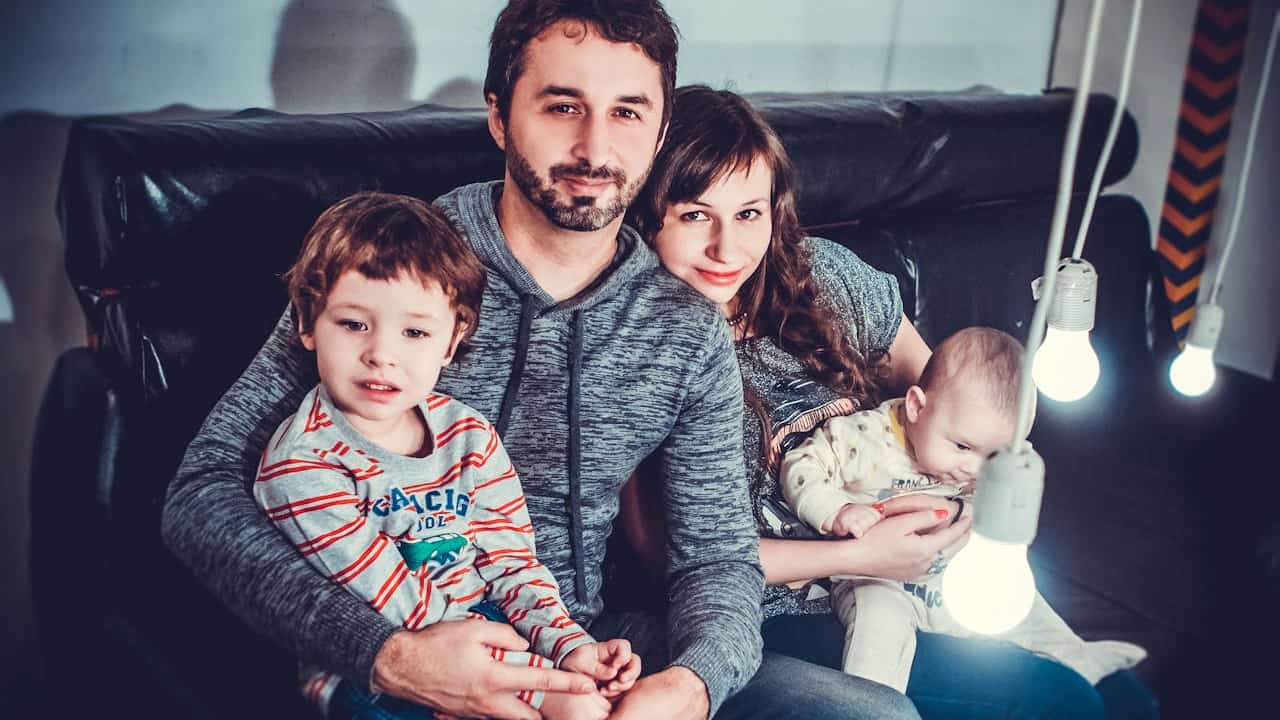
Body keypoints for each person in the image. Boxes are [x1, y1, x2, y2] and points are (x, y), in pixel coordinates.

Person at [163, 3, 919, 719]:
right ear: (499, 115)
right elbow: (199, 497)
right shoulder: (393, 267)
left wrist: (693, 684)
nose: (595, 149)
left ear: (658, 136)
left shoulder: (684, 329)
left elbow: (714, 560)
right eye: (562, 106)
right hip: (389, 648)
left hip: (581, 646)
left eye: (627, 112)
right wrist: (389, 655)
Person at [623, 84, 1161, 719]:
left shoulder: (821, 277)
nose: (728, 249)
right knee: (1063, 701)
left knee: (1122, 697)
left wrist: (964, 506)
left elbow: (948, 399)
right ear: (645, 214)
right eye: (693, 215)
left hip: (917, 568)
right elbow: (668, 559)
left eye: (748, 214)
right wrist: (861, 555)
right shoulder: (642, 345)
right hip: (775, 611)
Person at [254, 191, 640, 719]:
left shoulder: (468, 435)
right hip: (377, 658)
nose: (381, 354)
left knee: (587, 705)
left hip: (479, 620)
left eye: (414, 332)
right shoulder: (302, 464)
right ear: (306, 323)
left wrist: (567, 646)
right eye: (352, 324)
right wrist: (527, 674)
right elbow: (385, 597)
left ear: (452, 340)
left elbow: (512, 563)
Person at [781, 326, 1146, 694]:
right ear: (916, 407)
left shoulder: (977, 457)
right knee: (879, 626)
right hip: (875, 576)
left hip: (951, 575)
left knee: (1022, 602)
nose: (974, 468)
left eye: (992, 456)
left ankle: (1076, 656)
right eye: (962, 446)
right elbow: (801, 465)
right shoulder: (864, 437)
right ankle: (870, 705)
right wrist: (836, 509)